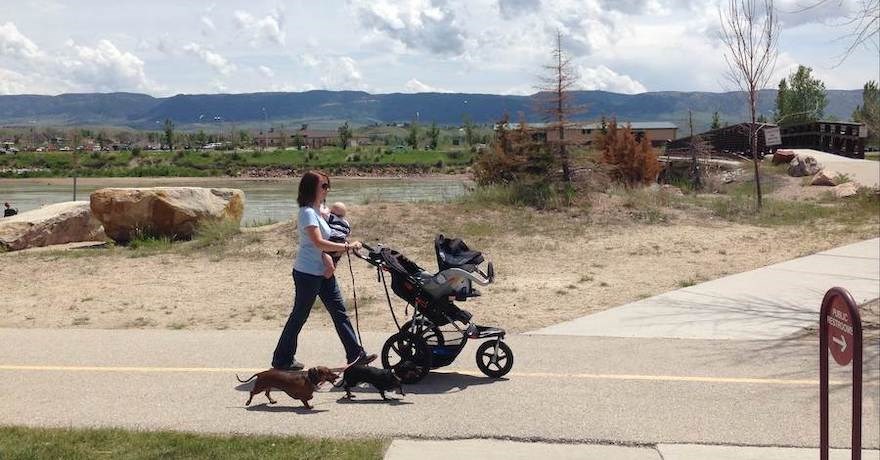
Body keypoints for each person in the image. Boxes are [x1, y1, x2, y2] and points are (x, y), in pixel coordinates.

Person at [271, 172, 376, 371]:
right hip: (307, 273)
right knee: (299, 316)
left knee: (339, 312)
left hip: (324, 272)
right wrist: (347, 247)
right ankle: (282, 359)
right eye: (323, 186)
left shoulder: (320, 211)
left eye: (328, 185)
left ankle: (356, 355)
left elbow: (335, 230)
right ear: (312, 188)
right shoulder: (307, 213)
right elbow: (318, 243)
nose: (327, 189)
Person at [319, 202, 351, 278]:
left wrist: (323, 207)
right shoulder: (346, 223)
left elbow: (322, 213)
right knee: (335, 259)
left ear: (332, 211)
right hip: (342, 242)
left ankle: (327, 272)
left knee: (325, 253)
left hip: (333, 240)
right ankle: (330, 273)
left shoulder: (331, 217)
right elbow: (348, 233)